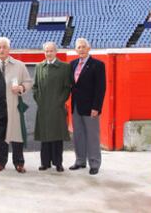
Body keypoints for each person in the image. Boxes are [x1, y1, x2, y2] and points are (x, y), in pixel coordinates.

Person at [0, 37, 33, 173]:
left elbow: (28, 81)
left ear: (9, 48)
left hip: (14, 106)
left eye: (4, 47)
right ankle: (0, 162)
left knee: (16, 135)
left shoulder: (20, 65)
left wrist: (22, 88)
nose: (2, 50)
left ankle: (19, 163)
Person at [33, 42, 72, 172]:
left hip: (57, 108)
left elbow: (67, 88)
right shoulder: (39, 67)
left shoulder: (64, 67)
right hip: (43, 107)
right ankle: (45, 163)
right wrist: (39, 100)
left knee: (57, 136)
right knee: (45, 137)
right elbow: (35, 87)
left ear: (56, 52)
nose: (48, 53)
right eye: (46, 51)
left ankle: (58, 163)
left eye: (51, 51)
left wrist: (59, 101)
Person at [69, 38, 106, 175]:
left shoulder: (97, 65)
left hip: (91, 107)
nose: (81, 49)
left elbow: (100, 88)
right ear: (76, 49)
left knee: (92, 136)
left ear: (89, 48)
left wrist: (96, 107)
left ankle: (94, 163)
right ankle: (80, 161)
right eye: (79, 47)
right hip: (76, 107)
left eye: (84, 47)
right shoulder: (72, 64)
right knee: (78, 135)